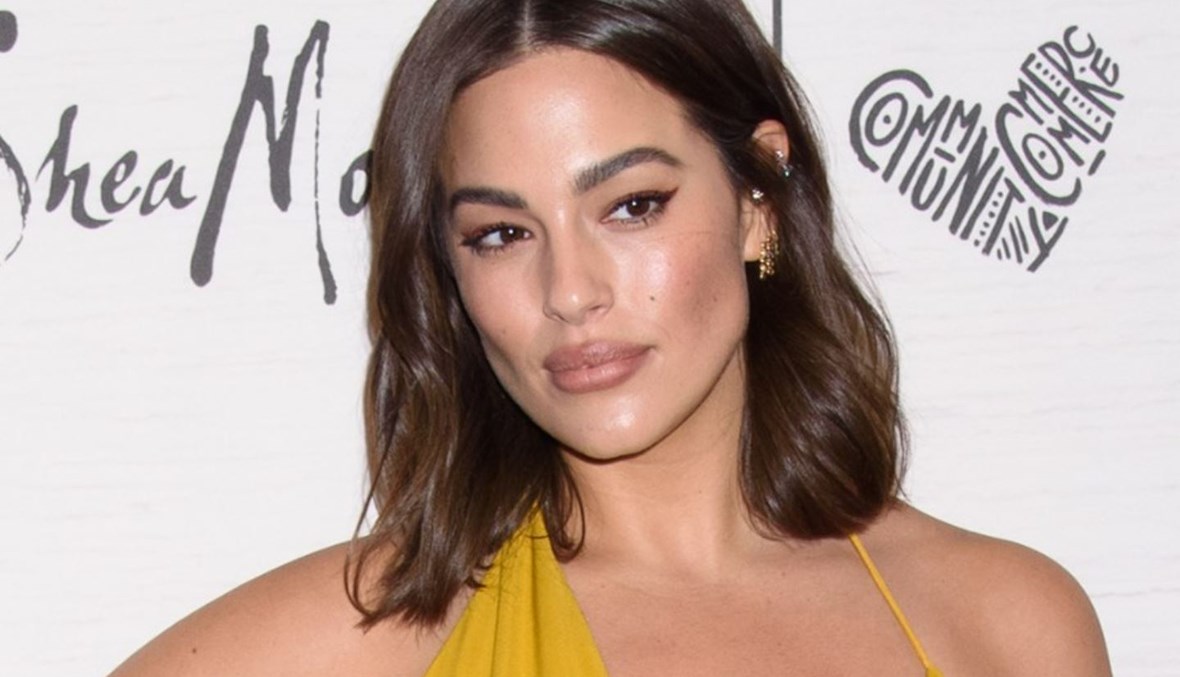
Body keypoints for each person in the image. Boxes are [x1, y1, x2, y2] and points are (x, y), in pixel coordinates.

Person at [111, 0, 1113, 675]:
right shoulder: (379, 634)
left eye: (631, 205)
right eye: (501, 234)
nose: (570, 291)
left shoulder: (1004, 623)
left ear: (758, 198)